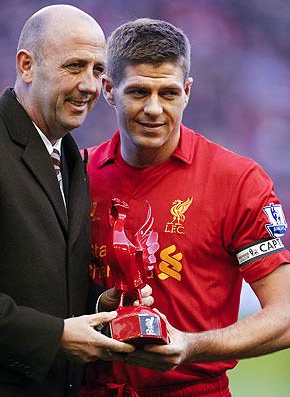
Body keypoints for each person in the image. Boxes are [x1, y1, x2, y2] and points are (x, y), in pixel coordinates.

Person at [80, 18, 290, 397]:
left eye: (170, 94)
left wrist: (191, 346)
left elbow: (286, 315)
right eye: (139, 92)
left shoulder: (237, 181)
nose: (154, 109)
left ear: (188, 91)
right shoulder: (77, 175)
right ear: (109, 90)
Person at [0, 5, 142, 397]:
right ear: (26, 65)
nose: (90, 85)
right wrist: (56, 335)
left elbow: (39, 281)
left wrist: (98, 303)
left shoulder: (69, 155)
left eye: (97, 70)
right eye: (74, 66)